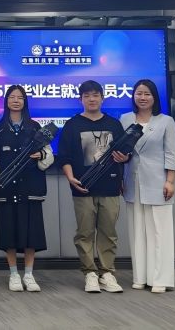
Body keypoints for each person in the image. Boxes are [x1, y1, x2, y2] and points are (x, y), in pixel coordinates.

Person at [57, 80, 128, 294]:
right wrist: (70, 178)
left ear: (102, 98)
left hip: (110, 187)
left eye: (95, 95)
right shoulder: (72, 125)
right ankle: (89, 273)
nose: (91, 99)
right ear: (81, 99)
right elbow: (64, 156)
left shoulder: (114, 125)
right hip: (83, 187)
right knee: (84, 232)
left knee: (109, 232)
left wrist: (124, 158)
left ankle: (107, 273)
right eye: (87, 95)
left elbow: (125, 154)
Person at [0, 85, 53, 293]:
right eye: (12, 97)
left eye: (20, 97)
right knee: (9, 233)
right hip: (7, 190)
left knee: (32, 233)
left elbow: (49, 155)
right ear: (6, 101)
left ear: (25, 101)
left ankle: (29, 274)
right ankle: (13, 274)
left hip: (31, 187)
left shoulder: (35, 128)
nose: (16, 100)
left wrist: (42, 155)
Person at [120, 79, 175, 294]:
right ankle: (140, 277)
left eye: (147, 94)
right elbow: (121, 151)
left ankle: (160, 279)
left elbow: (171, 153)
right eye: (139, 93)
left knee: (160, 231)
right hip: (132, 181)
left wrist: (170, 181)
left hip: (158, 181)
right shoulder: (125, 119)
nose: (142, 97)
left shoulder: (166, 121)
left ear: (154, 97)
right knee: (137, 231)